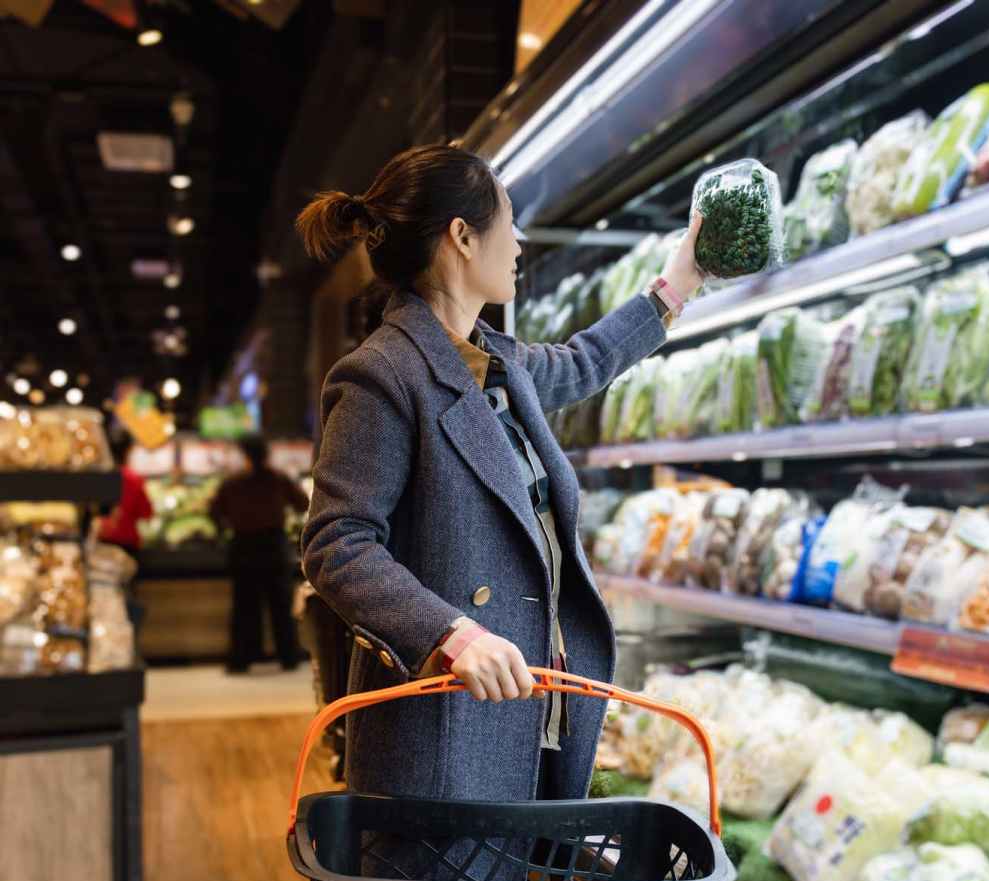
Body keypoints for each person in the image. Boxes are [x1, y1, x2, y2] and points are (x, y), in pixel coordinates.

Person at [296, 145, 703, 843]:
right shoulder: (380, 376)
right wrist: (451, 634)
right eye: (508, 223)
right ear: (462, 236)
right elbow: (337, 544)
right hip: (444, 725)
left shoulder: (496, 361)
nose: (517, 244)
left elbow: (584, 363)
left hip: (523, 713)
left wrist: (679, 281)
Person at [211, 433, 310, 674]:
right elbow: (303, 503)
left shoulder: (232, 482)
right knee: (280, 606)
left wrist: (227, 527)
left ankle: (240, 659)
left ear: (244, 454)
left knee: (244, 607)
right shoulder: (277, 479)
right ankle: (288, 657)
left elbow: (214, 511)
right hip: (273, 546)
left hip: (243, 547)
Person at [98, 431, 154, 557]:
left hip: (102, 540)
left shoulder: (98, 477)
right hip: (127, 543)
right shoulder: (133, 479)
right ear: (128, 451)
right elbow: (147, 512)